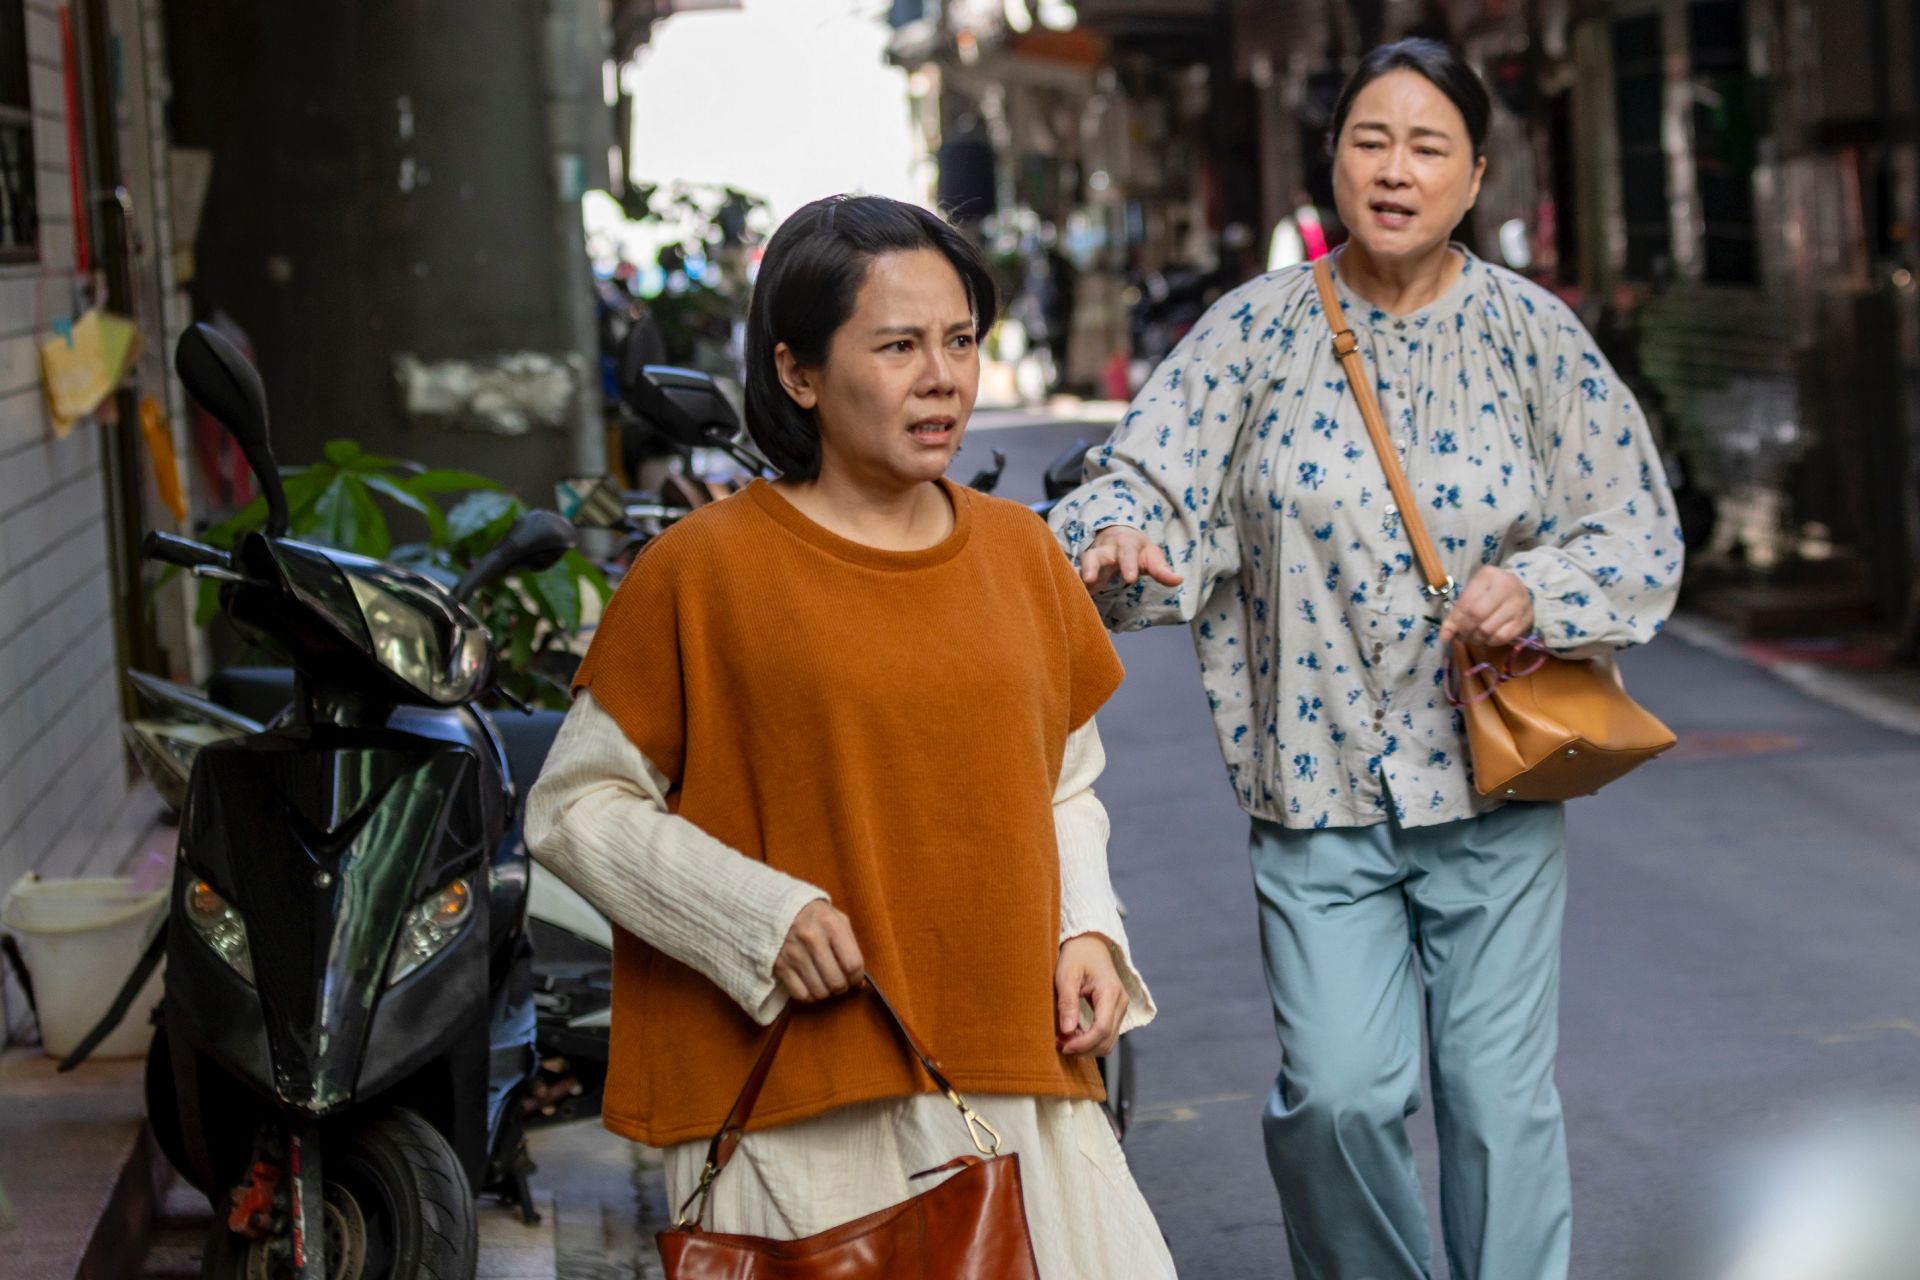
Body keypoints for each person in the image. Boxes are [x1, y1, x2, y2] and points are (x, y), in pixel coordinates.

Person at [1049, 38, 1683, 1280]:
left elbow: (1636, 526)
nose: (1395, 170)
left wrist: (1537, 585)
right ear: (1332, 160)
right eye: (1369, 141)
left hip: (1498, 787)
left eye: (1427, 146)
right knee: (1339, 1094)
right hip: (1315, 787)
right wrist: (1113, 534)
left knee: (1498, 1106)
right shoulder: (1255, 331)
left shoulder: (1531, 337)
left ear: (1476, 173)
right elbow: (1135, 477)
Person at [526, 193, 1177, 1279]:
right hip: (799, 1104)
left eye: (962, 340)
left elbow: (1064, 781)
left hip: (1017, 1072)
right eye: (900, 345)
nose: (944, 377)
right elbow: (573, 806)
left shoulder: (1020, 554)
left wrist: (1089, 934)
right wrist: (759, 916)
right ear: (798, 373)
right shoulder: (702, 572)